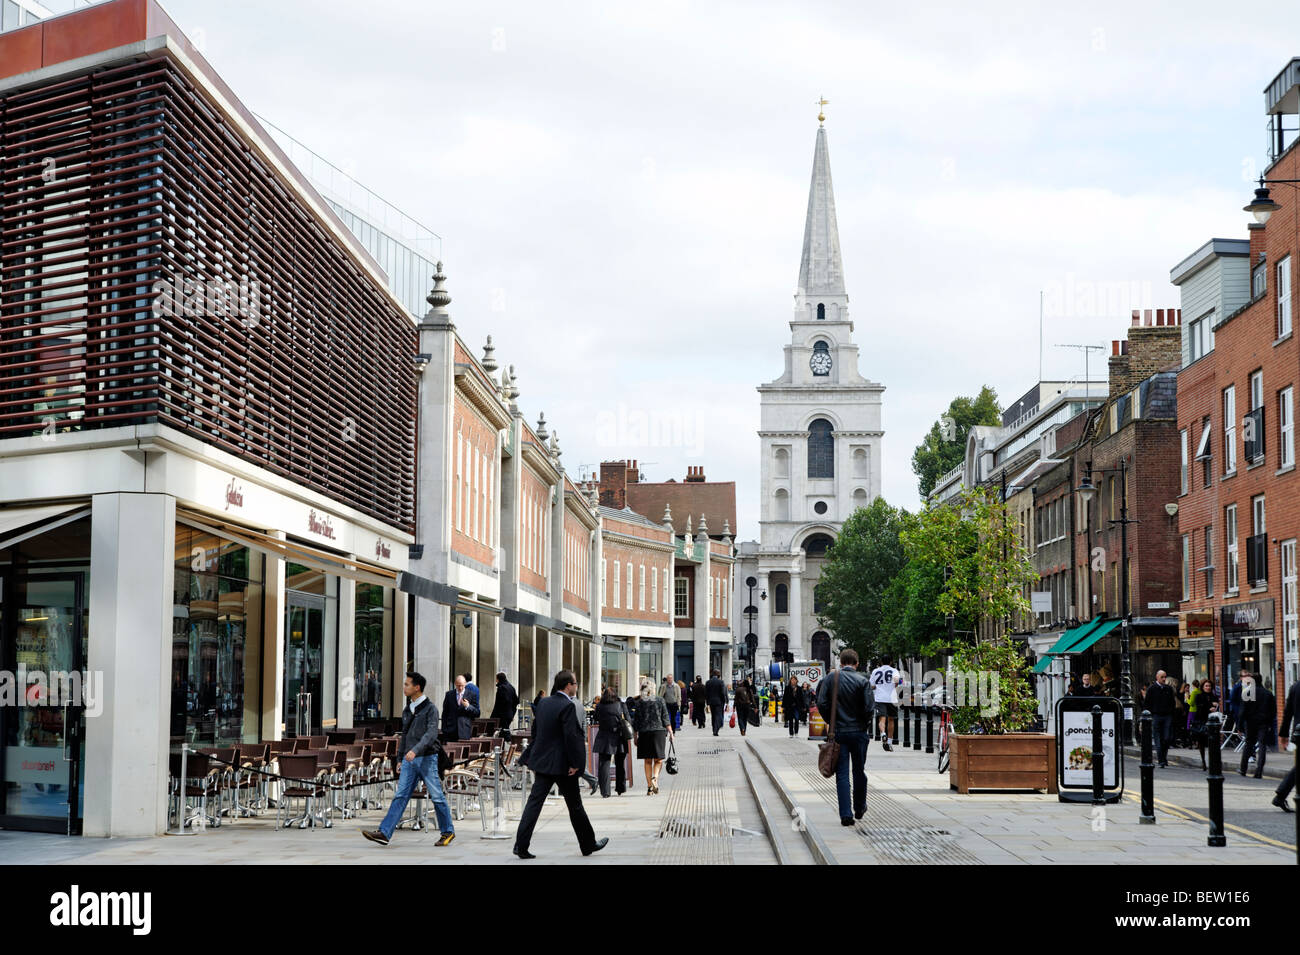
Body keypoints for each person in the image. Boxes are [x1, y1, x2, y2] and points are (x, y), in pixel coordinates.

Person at [513, 670, 607, 859]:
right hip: (564, 767)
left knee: (534, 804)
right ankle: (588, 844)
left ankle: (520, 846)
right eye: (575, 683)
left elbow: (536, 732)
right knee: (575, 806)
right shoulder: (568, 706)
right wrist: (576, 764)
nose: (577, 686)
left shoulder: (544, 703)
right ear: (568, 686)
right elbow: (572, 738)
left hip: (544, 763)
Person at [361, 671, 455, 847]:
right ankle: (384, 832)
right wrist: (399, 758)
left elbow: (431, 734)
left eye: (407, 684)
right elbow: (404, 736)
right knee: (401, 795)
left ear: (417, 687)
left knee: (437, 796)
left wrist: (415, 750)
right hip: (409, 761)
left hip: (427, 759)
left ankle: (448, 831)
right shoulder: (407, 709)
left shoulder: (430, 709)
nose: (404, 687)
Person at [817, 648, 874, 826]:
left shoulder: (830, 678)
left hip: (838, 732)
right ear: (856, 664)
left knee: (842, 773)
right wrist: (863, 725)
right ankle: (859, 807)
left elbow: (821, 702)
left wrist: (830, 721)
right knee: (859, 771)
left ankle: (845, 815)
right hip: (858, 732)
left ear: (840, 663)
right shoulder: (862, 680)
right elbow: (869, 708)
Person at [632, 680, 673, 794]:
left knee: (647, 761)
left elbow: (636, 721)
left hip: (644, 733)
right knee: (659, 760)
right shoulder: (660, 700)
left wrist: (635, 736)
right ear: (653, 689)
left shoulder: (639, 702)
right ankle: (655, 778)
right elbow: (665, 717)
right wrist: (671, 732)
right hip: (658, 732)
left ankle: (649, 786)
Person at [1239, 672, 1277, 778]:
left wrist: (1239, 725)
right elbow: (1273, 711)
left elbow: (1242, 711)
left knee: (1248, 745)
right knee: (1262, 746)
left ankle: (1243, 769)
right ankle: (1259, 771)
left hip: (1250, 723)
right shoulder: (1268, 693)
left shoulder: (1247, 692)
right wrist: (1269, 723)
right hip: (1263, 723)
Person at [593, 688, 630, 797]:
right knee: (620, 763)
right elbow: (628, 719)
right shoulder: (621, 705)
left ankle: (605, 791)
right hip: (619, 736)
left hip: (604, 736)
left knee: (604, 764)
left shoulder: (599, 706)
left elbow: (596, 718)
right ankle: (620, 788)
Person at [1274, 678, 1299, 812]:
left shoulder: (1295, 686)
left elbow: (1288, 712)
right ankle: (1280, 794)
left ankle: (1280, 795)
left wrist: (1284, 734)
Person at [1144, 670, 1176, 768]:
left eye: (1165, 677)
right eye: (1162, 677)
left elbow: (1172, 703)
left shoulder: (1169, 689)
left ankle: (1163, 758)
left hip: (1167, 716)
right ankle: (1161, 760)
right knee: (1158, 740)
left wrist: (1171, 714)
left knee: (1166, 738)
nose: (1164, 679)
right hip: (1156, 716)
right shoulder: (1151, 689)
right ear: (1157, 677)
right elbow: (1147, 704)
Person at [869, 656, 901, 751]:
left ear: (881, 662)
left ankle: (883, 734)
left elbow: (871, 685)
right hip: (892, 698)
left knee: (881, 719)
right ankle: (890, 742)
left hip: (880, 698)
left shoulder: (875, 671)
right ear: (890, 662)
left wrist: (879, 687)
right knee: (891, 720)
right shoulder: (894, 670)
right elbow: (897, 682)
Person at [1189, 679, 1219, 770]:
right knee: (1202, 743)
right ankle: (1203, 762)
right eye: (1206, 686)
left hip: (1212, 722)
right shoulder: (1199, 696)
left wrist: (1215, 707)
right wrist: (1209, 706)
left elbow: (1216, 708)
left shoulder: (1214, 696)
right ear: (1202, 687)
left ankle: (1212, 762)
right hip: (1201, 721)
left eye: (1209, 686)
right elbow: (1199, 709)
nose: (1208, 688)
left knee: (1212, 743)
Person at [440, 674, 480, 741]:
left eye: (462, 685)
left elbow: (477, 713)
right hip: (450, 731)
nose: (460, 688)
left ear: (465, 684)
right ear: (455, 684)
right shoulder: (449, 694)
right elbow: (445, 713)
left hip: (465, 731)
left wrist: (468, 706)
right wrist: (444, 729)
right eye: (458, 686)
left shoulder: (472, 695)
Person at [490, 671, 520, 737]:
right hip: (509, 714)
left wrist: (493, 716)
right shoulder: (511, 687)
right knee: (503, 732)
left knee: (504, 732)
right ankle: (504, 745)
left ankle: (512, 744)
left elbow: (499, 704)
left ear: (498, 679)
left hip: (502, 715)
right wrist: (512, 713)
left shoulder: (502, 688)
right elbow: (516, 701)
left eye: (496, 679)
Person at [705, 669, 728, 736]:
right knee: (718, 715)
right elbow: (722, 693)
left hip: (711, 702)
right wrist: (724, 701)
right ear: (718, 674)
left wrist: (707, 702)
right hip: (719, 702)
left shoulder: (708, 682)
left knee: (713, 715)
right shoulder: (721, 682)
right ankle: (716, 728)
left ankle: (714, 728)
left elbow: (706, 693)